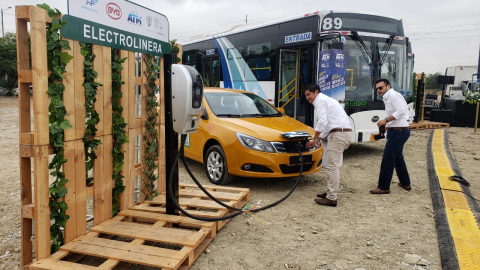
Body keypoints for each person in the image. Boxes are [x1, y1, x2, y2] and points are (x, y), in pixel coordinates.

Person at [305, 83, 352, 207]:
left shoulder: (320, 101)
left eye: (308, 94)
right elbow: (327, 126)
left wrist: (315, 137)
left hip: (338, 135)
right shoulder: (326, 100)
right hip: (341, 133)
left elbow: (322, 122)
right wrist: (317, 139)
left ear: (316, 92)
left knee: (332, 166)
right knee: (332, 165)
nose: (307, 98)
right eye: (305, 96)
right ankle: (328, 192)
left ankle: (332, 197)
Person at [370, 78, 411, 194]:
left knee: (388, 159)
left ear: (388, 86)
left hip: (399, 132)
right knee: (398, 158)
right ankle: (405, 183)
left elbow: (402, 111)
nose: (378, 90)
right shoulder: (387, 97)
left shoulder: (393, 96)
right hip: (398, 130)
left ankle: (384, 187)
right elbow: (397, 114)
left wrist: (386, 120)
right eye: (377, 88)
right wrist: (388, 125)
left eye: (381, 88)